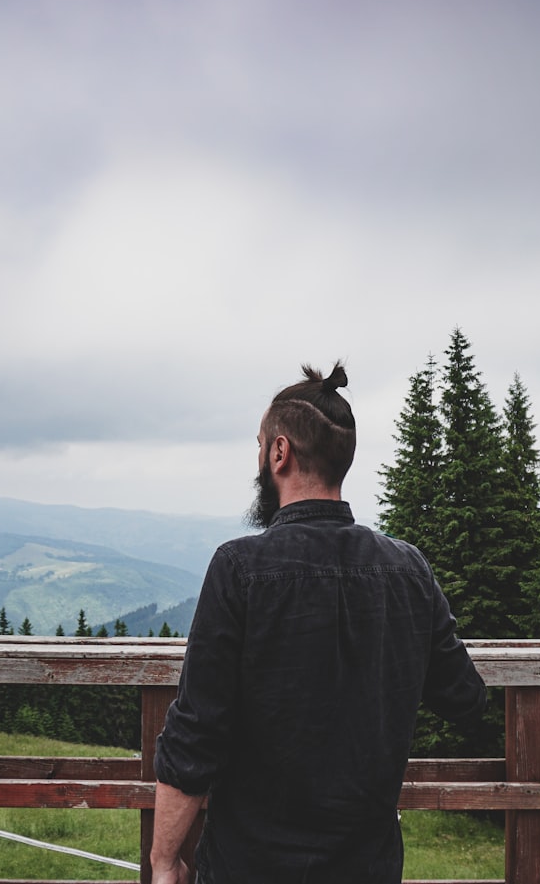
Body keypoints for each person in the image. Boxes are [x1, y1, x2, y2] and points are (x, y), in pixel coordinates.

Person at [151, 362, 486, 884]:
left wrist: (165, 858)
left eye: (260, 445)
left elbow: (196, 733)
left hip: (249, 867)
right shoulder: (408, 568)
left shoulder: (238, 568)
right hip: (368, 866)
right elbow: (464, 697)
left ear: (279, 453)